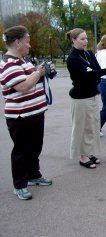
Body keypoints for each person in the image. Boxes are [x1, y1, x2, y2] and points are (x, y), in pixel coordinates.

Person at [0, 25, 53, 200]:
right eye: (27, 41)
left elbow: (31, 78)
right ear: (17, 42)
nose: (29, 45)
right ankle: (19, 185)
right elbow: (23, 86)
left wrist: (43, 71)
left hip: (35, 112)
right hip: (20, 116)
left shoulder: (24, 60)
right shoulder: (8, 63)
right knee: (21, 151)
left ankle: (33, 175)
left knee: (35, 147)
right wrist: (39, 72)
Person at [66, 28, 106, 169]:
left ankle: (88, 153)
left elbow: (95, 70)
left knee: (91, 127)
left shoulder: (88, 53)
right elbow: (88, 75)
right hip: (80, 98)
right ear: (73, 40)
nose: (85, 41)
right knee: (81, 128)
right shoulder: (72, 59)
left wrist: (93, 71)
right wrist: (105, 71)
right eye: (82, 39)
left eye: (86, 38)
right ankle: (82, 157)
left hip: (92, 95)